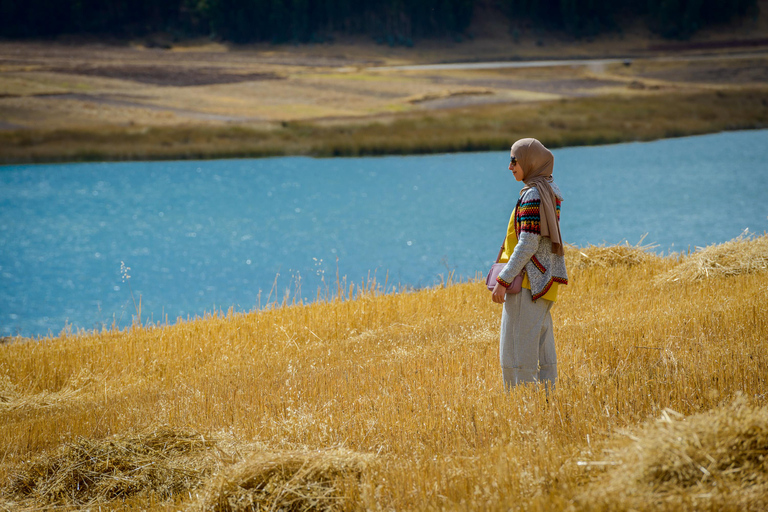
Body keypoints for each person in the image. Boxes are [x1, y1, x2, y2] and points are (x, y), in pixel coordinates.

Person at [491, 138, 568, 390]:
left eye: (514, 160)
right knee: (543, 352)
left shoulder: (533, 193)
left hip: (527, 283)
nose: (510, 166)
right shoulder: (548, 189)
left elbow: (528, 243)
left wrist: (503, 280)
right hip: (545, 282)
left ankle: (522, 410)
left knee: (515, 355)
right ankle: (548, 404)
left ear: (529, 161)